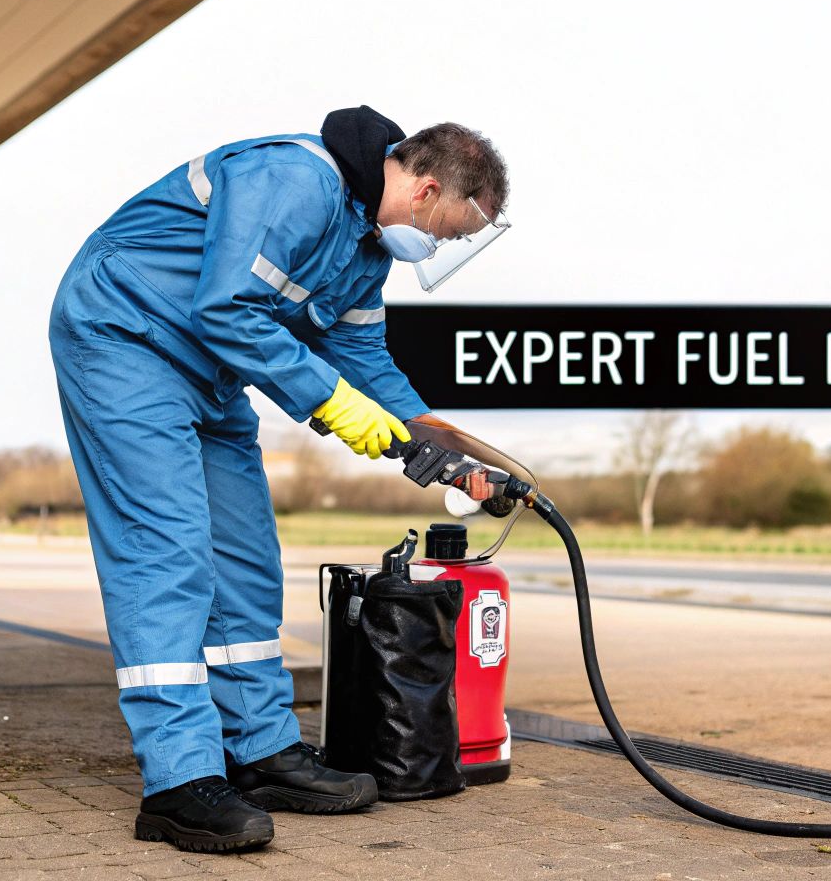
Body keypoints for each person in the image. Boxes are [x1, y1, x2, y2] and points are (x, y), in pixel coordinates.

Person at [47, 107, 509, 852]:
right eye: (448, 232)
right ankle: (178, 781)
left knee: (244, 559)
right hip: (124, 338)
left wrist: (443, 444)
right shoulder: (293, 178)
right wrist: (336, 408)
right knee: (166, 552)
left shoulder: (366, 252)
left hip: (210, 373)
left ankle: (259, 751)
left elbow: (367, 365)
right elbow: (227, 306)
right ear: (424, 191)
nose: (437, 247)